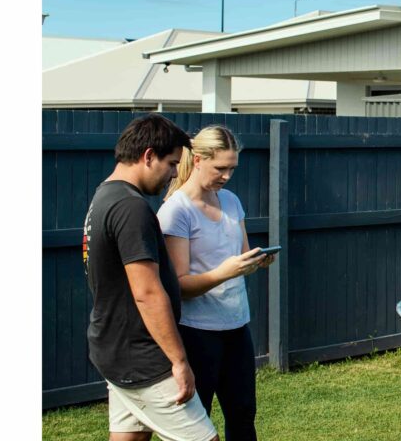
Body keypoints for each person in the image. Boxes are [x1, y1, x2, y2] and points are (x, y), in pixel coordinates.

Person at [83, 114, 218, 441]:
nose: (174, 174)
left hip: (115, 351)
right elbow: (147, 292)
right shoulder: (131, 208)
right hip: (144, 359)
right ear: (147, 156)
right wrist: (179, 361)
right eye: (171, 163)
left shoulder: (104, 198)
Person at [157, 125, 273, 441]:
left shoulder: (232, 201)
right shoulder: (176, 211)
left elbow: (241, 254)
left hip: (237, 326)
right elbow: (179, 284)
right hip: (197, 331)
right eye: (220, 168)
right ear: (197, 160)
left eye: (232, 168)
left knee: (243, 414)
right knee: (198, 422)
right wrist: (226, 272)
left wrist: (256, 260)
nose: (227, 176)